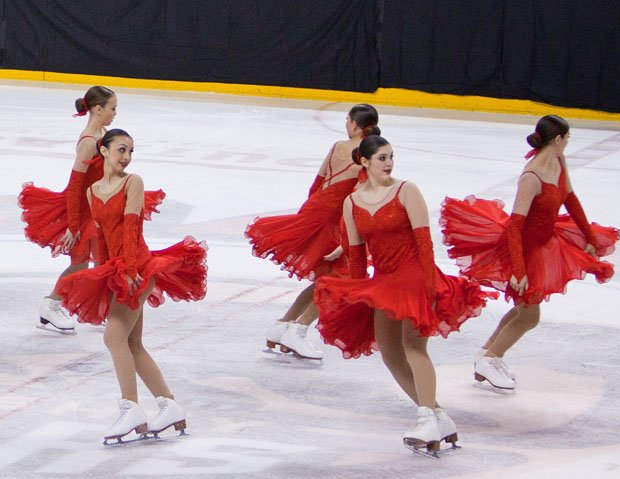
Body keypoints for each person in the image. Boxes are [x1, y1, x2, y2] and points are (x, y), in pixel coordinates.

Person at [314, 136, 495, 455]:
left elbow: (425, 245)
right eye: (382, 158)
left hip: (414, 277)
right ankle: (438, 416)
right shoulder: (352, 202)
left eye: (391, 157)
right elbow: (357, 256)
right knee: (389, 352)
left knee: (413, 346)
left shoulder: (406, 191)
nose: (389, 163)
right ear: (365, 162)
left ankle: (426, 417)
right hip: (385, 283)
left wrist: (428, 288)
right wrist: (360, 294)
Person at [440, 115, 620, 394]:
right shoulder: (531, 176)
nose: (568, 143)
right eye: (567, 138)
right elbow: (515, 227)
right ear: (557, 139)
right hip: (523, 249)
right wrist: (519, 270)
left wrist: (590, 236)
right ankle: (490, 358)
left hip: (548, 242)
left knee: (523, 309)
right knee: (529, 315)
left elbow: (570, 198)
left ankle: (486, 355)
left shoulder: (560, 161)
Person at [56, 129, 208, 444]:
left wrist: (127, 271)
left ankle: (131, 407)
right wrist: (104, 275)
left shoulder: (133, 182)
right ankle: (169, 406)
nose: (126, 157)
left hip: (138, 269)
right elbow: (100, 238)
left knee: (114, 337)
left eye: (130, 151)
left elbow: (130, 228)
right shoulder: (93, 190)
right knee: (133, 345)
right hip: (116, 271)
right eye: (121, 150)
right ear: (105, 150)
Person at [18, 86, 163, 334]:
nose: (115, 113)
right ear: (98, 109)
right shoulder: (89, 142)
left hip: (98, 204)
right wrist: (73, 225)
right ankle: (50, 306)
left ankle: (108, 306)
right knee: (81, 263)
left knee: (103, 259)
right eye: (112, 108)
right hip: (82, 209)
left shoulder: (103, 135)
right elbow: (75, 187)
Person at [245, 104, 379, 360]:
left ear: (353, 124)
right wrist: (348, 238)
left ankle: (283, 326)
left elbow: (317, 183)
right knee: (341, 281)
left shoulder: (338, 146)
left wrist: (307, 219)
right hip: (336, 220)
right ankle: (298, 329)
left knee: (325, 279)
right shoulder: (369, 154)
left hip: (316, 211)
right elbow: (360, 199)